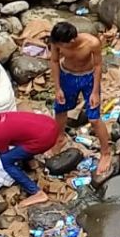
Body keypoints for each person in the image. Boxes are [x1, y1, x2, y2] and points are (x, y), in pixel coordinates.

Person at [48, 22, 112, 175]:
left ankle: (106, 152)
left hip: (88, 77)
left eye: (61, 44)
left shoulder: (92, 43)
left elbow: (97, 66)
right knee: (60, 109)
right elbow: (55, 61)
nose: (58, 47)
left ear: (71, 41)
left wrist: (95, 91)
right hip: (67, 76)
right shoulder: (57, 43)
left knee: (94, 118)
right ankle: (60, 137)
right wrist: (57, 88)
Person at [0, 110, 60, 208]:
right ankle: (30, 161)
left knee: (6, 162)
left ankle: (36, 192)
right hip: (51, 125)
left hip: (45, 139)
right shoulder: (1, 117)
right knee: (18, 138)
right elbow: (3, 139)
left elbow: (4, 153)